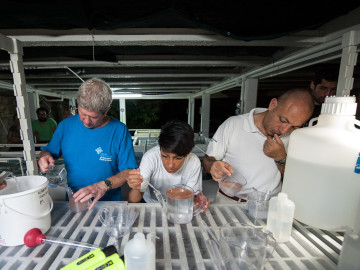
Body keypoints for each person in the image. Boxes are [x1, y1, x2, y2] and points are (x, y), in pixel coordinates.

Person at [37, 78, 137, 209]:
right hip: (76, 201)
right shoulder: (65, 126)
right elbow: (48, 151)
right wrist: (43, 156)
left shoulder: (119, 130)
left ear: (106, 110)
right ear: (78, 105)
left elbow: (128, 171)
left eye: (93, 117)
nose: (87, 121)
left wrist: (101, 186)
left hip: (109, 203)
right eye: (82, 114)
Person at [203, 88, 314, 202]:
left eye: (294, 126)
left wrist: (281, 158)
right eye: (283, 120)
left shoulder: (296, 137)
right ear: (273, 104)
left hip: (268, 204)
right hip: (229, 200)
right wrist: (213, 166)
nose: (284, 130)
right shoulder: (234, 124)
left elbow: (297, 181)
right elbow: (208, 159)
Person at [126, 120, 209, 210]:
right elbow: (133, 201)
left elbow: (189, 197)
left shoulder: (194, 162)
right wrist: (135, 188)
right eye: (165, 156)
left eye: (177, 158)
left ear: (188, 153)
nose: (170, 165)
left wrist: (197, 199)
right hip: (152, 204)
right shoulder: (150, 158)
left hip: (179, 205)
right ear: (160, 148)